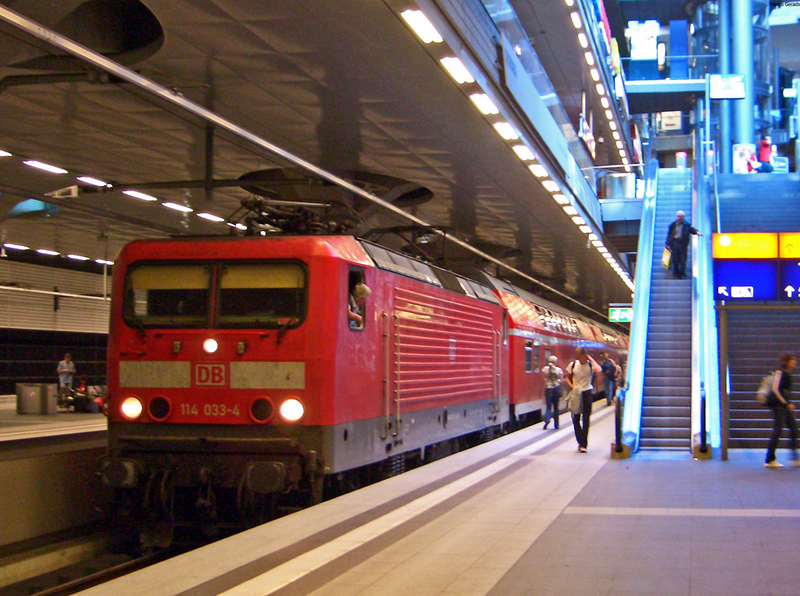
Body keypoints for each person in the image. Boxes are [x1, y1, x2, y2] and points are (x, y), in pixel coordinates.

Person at [765, 353, 800, 468]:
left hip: (783, 406)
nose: (795, 362)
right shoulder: (780, 373)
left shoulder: (788, 374)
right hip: (777, 405)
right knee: (778, 430)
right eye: (793, 360)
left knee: (794, 428)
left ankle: (794, 457)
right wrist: (786, 403)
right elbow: (775, 389)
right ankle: (770, 459)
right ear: (787, 362)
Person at [565, 348, 602, 452]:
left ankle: (583, 444)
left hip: (587, 393)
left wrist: (591, 359)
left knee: (586, 418)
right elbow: (567, 377)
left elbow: (599, 370)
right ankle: (580, 440)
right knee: (575, 418)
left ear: (585, 355)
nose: (578, 358)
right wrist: (572, 386)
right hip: (576, 393)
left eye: (580, 356)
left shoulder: (590, 365)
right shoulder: (573, 365)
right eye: (577, 356)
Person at [665, 210, 702, 280]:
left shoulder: (686, 225)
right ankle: (676, 273)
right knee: (675, 259)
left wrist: (697, 232)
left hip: (683, 244)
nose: (679, 218)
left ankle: (682, 273)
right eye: (678, 216)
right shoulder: (673, 225)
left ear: (683, 217)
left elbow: (692, 230)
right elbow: (669, 235)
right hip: (675, 243)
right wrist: (668, 244)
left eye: (680, 216)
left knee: (683, 259)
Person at [542, 355, 563, 430]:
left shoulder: (545, 369)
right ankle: (556, 424)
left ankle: (547, 420)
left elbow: (544, 378)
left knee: (548, 406)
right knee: (556, 407)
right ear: (555, 362)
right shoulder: (558, 370)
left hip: (548, 389)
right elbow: (560, 380)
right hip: (556, 389)